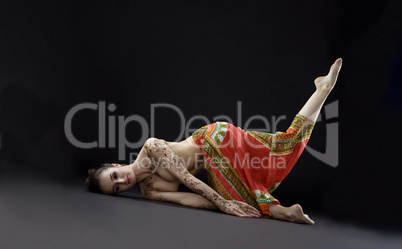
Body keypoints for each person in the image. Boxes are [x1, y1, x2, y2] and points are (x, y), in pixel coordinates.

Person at [85, 58, 343, 224]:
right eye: (116, 188)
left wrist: (224, 202)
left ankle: (281, 211)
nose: (122, 182)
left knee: (240, 191)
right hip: (216, 165)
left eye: (115, 177)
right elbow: (190, 200)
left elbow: (187, 180)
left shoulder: (151, 148)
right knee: (279, 152)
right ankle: (322, 91)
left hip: (215, 139)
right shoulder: (150, 192)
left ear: (116, 165)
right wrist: (223, 205)